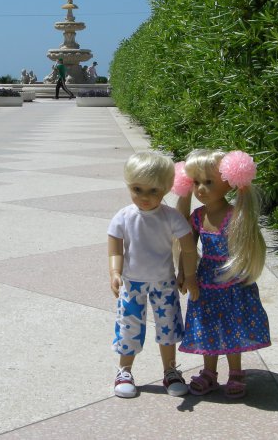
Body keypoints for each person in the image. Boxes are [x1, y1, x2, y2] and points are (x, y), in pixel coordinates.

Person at [173, 148, 271, 398]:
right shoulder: (197, 217)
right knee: (207, 325)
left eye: (209, 182)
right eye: (196, 182)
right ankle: (209, 372)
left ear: (229, 182)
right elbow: (187, 249)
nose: (201, 189)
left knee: (233, 325)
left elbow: (247, 246)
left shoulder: (235, 215)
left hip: (233, 281)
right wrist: (184, 274)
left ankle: (236, 372)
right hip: (205, 282)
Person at [108, 151, 200, 398]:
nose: (145, 197)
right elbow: (115, 248)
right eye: (137, 189)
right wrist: (115, 271)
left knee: (167, 326)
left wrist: (188, 274)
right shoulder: (124, 216)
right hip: (132, 282)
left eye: (153, 191)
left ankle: (170, 370)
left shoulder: (171, 217)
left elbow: (189, 248)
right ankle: (124, 370)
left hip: (164, 283)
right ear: (129, 185)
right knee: (129, 326)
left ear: (167, 188)